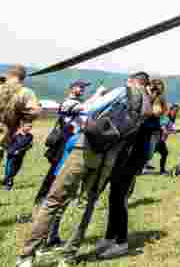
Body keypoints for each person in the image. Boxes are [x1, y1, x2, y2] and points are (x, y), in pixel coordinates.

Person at [18, 72, 150, 267]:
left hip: (86, 149)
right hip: (108, 160)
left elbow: (90, 109)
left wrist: (87, 101)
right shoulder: (146, 105)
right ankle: (68, 256)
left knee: (54, 200)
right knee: (86, 205)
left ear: (131, 81)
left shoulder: (124, 90)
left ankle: (27, 255)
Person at [96, 79, 165, 259]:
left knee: (120, 198)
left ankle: (122, 242)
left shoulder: (148, 115)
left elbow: (143, 137)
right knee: (114, 196)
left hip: (132, 160)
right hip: (125, 158)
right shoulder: (143, 111)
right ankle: (110, 237)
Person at [32, 80, 95, 255]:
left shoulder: (77, 104)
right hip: (62, 157)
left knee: (59, 198)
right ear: (71, 88)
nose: (81, 90)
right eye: (79, 87)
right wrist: (98, 96)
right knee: (53, 197)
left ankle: (51, 238)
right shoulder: (69, 103)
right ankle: (42, 242)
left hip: (65, 156)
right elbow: (82, 110)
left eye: (83, 88)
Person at [0, 64, 42, 173]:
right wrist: (26, 122)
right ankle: (8, 180)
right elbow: (34, 111)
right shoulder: (25, 92)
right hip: (7, 128)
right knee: (12, 153)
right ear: (23, 77)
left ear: (9, 74)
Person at [3, 122, 33, 189]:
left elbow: (29, 146)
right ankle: (8, 184)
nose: (29, 128)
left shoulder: (30, 136)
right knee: (9, 170)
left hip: (20, 155)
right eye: (27, 126)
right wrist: (12, 151)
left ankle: (6, 180)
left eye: (30, 126)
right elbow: (8, 143)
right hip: (11, 155)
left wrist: (19, 151)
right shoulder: (15, 135)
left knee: (16, 170)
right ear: (23, 127)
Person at [154, 103, 180, 175]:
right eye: (175, 111)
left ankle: (162, 170)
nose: (176, 113)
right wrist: (169, 132)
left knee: (164, 153)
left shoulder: (172, 118)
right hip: (157, 139)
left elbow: (171, 128)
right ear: (171, 110)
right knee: (163, 153)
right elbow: (163, 127)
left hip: (161, 140)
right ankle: (162, 170)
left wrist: (174, 131)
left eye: (177, 111)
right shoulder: (166, 117)